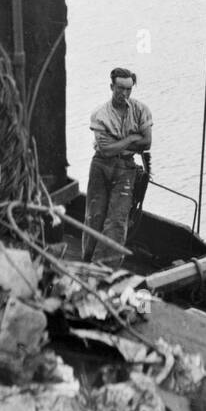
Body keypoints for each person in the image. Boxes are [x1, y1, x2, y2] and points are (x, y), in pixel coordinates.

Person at [82, 68, 152, 268]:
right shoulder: (100, 114)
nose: (124, 94)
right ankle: (88, 261)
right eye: (120, 88)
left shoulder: (141, 110)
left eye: (129, 89)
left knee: (117, 219)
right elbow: (104, 149)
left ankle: (105, 267)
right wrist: (131, 138)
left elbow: (147, 142)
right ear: (111, 87)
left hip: (126, 168)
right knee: (94, 215)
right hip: (100, 166)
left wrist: (117, 143)